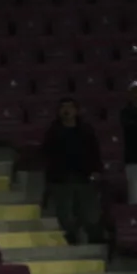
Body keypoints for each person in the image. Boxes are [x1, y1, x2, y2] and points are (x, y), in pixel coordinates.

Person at [43, 98, 103, 245]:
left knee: (88, 211)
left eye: (70, 107)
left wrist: (96, 169)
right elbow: (47, 154)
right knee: (65, 212)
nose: (67, 110)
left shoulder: (86, 130)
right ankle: (72, 236)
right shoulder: (53, 131)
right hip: (61, 178)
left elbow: (94, 151)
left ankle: (92, 237)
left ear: (76, 110)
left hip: (83, 176)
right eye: (63, 107)